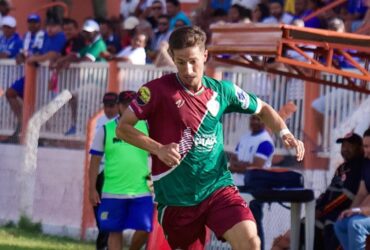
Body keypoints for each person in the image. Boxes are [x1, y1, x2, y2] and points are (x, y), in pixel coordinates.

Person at [116, 26, 304, 250]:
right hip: (177, 198)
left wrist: (284, 132)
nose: (187, 69)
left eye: (193, 61)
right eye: (180, 62)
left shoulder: (222, 91)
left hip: (217, 188)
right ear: (173, 59)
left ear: (205, 55)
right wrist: (158, 149)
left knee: (250, 241)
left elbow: (263, 108)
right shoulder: (156, 91)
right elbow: (123, 128)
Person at [272, 132, 365, 250]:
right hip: (328, 211)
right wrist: (318, 207)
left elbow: (347, 196)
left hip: (343, 211)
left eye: (349, 146)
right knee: (302, 226)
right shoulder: (342, 167)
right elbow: (329, 192)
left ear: (359, 147)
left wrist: (322, 210)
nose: (345, 149)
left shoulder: (360, 167)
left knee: (327, 226)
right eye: (343, 146)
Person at [89, 91, 153, 250]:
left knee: (146, 228)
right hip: (112, 191)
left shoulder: (146, 127)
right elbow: (94, 162)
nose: (129, 108)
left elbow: (159, 155)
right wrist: (91, 189)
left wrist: (156, 182)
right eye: (125, 105)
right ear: (119, 106)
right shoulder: (105, 130)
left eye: (133, 104)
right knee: (114, 231)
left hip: (142, 190)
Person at [4, 18, 66, 142]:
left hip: (49, 78)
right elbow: (35, 53)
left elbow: (53, 54)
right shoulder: (43, 36)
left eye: (53, 26)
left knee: (45, 106)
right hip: (35, 75)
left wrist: (35, 59)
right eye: (48, 25)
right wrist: (25, 57)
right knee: (10, 92)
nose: (50, 29)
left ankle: (43, 136)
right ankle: (23, 124)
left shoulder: (60, 37)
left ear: (60, 27)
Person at [229, 115, 274, 250]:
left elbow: (256, 167)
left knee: (254, 224)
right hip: (239, 187)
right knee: (239, 226)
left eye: (259, 119)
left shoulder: (266, 141)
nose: (254, 122)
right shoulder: (245, 137)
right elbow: (233, 160)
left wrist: (239, 166)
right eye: (253, 119)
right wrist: (243, 166)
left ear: (265, 121)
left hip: (255, 188)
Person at [63, 19, 107, 136]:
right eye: (85, 32)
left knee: (73, 96)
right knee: (74, 97)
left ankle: (77, 126)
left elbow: (87, 59)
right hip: (90, 82)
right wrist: (65, 60)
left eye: (89, 32)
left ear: (96, 32)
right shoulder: (91, 44)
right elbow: (76, 55)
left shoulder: (99, 44)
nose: (86, 34)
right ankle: (77, 126)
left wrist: (73, 61)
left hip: (99, 83)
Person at [91, 92, 119, 250]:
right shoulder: (100, 123)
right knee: (101, 215)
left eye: (111, 106)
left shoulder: (123, 124)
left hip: (114, 173)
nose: (108, 109)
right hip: (99, 172)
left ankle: (104, 246)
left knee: (109, 215)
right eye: (106, 106)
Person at [334, 128, 370, 250]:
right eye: (365, 146)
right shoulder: (366, 163)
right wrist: (351, 210)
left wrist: (359, 210)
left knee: (355, 225)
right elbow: (362, 192)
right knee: (340, 224)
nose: (367, 151)